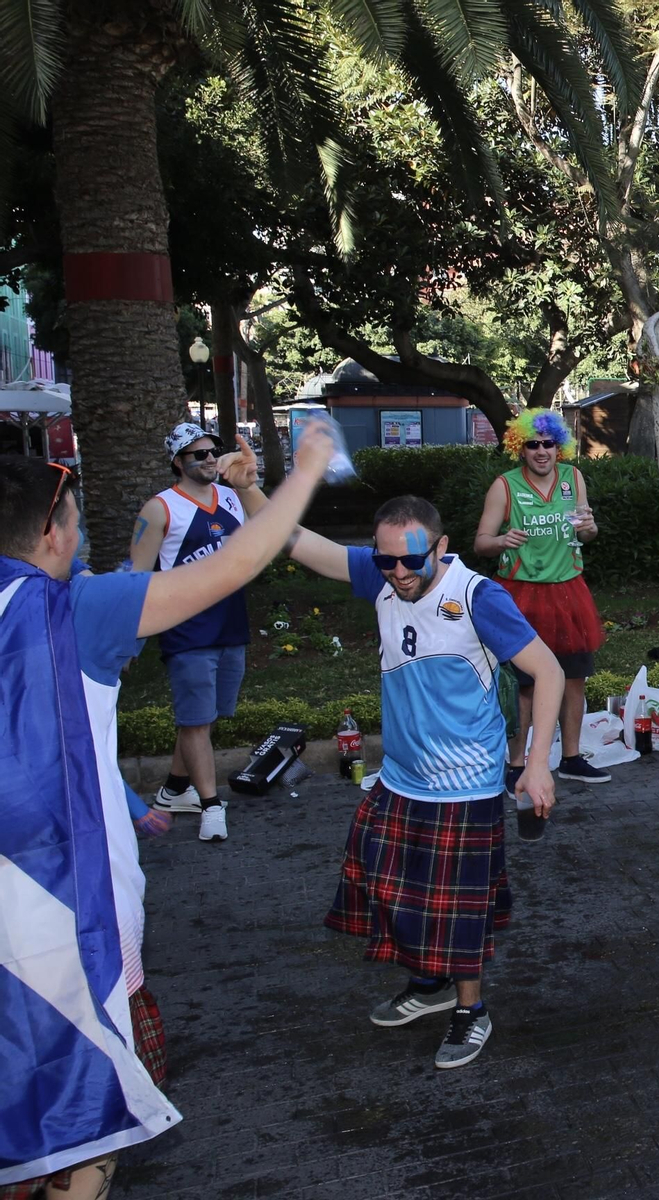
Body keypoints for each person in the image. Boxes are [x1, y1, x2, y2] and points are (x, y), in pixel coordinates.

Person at [0, 430, 333, 1199]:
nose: (82, 541)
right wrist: (307, 466)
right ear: (52, 535)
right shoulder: (77, 608)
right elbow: (240, 563)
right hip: (61, 916)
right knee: (83, 1123)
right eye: (77, 525)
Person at [281, 496, 564, 1070]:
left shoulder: (478, 597)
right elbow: (295, 542)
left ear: (440, 546)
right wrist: (248, 490)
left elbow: (549, 670)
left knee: (458, 909)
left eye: (411, 560)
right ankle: (431, 983)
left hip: (465, 784)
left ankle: (471, 1009)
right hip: (402, 778)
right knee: (390, 883)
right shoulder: (386, 574)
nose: (399, 573)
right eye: (386, 562)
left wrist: (536, 764)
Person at [130, 423, 254, 843]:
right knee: (197, 722)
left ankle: (174, 788)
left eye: (211, 452)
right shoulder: (159, 509)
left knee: (207, 716)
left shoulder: (232, 498)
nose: (207, 460)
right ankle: (211, 805)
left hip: (231, 626)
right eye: (196, 455)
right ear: (178, 462)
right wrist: (131, 639)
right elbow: (137, 578)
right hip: (187, 633)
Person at [473, 408, 609, 789]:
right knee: (525, 683)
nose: (542, 451)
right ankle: (518, 762)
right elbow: (480, 543)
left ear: (558, 447)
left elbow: (586, 534)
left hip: (569, 590)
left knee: (574, 678)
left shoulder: (573, 477)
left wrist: (590, 528)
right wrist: (500, 541)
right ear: (520, 448)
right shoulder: (504, 486)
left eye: (549, 443)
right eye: (533, 444)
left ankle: (571, 757)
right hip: (520, 594)